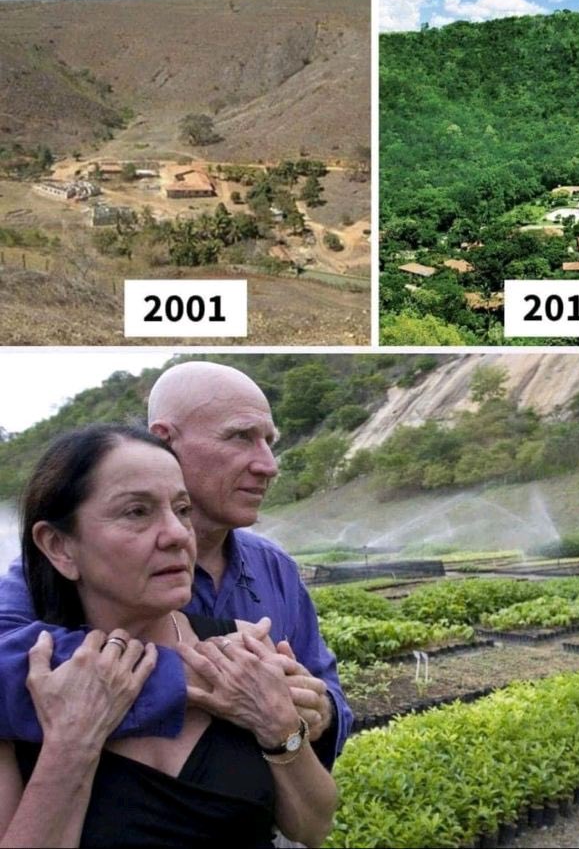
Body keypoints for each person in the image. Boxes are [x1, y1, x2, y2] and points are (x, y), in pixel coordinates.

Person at [0, 361, 352, 771]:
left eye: (269, 441)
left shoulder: (276, 569)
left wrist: (319, 710)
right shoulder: (64, 565)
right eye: (240, 437)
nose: (268, 464)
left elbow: (328, 691)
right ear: (164, 442)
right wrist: (198, 676)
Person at [0, 424, 336, 847]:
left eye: (181, 510)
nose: (178, 535)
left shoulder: (243, 650)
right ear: (59, 547)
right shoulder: (27, 689)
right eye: (136, 512)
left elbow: (313, 826)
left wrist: (282, 728)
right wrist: (72, 746)